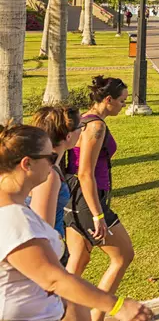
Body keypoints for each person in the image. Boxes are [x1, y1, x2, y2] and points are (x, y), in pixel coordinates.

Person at [0, 121, 153, 321]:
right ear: (27, 164)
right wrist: (118, 306)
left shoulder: (15, 209)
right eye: (50, 157)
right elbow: (53, 279)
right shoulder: (13, 218)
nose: (54, 163)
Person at [64, 76, 134, 321]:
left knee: (76, 265)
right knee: (123, 256)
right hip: (87, 200)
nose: (124, 105)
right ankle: (96, 316)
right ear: (108, 100)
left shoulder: (84, 120)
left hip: (72, 199)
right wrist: (98, 215)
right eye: (122, 101)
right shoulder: (96, 127)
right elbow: (84, 172)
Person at [27, 106, 83, 265]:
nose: (82, 131)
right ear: (68, 136)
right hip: (48, 258)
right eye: (80, 127)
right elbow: (43, 228)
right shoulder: (49, 175)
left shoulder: (48, 167)